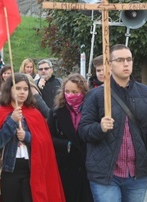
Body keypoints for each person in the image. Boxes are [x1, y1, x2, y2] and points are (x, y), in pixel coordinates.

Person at [78, 44, 147, 202]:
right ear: (109, 65)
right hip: (105, 174)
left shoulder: (145, 93)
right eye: (120, 60)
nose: (126, 63)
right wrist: (99, 128)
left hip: (136, 174)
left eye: (129, 59)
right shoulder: (96, 95)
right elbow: (83, 130)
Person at [0, 73, 65, 202]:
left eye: (25, 89)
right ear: (9, 89)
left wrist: (27, 137)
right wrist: (11, 121)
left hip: (31, 170)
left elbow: (44, 144)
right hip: (8, 170)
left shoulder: (35, 114)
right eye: (17, 88)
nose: (22, 92)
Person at [48, 73, 93, 202]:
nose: (70, 95)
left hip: (87, 166)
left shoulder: (91, 109)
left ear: (83, 92)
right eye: (67, 91)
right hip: (65, 165)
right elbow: (49, 137)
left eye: (75, 91)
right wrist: (66, 145)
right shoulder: (56, 111)